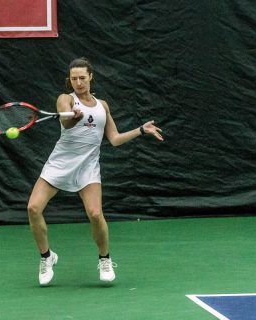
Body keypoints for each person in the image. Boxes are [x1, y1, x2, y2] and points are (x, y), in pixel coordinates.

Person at [27, 57, 164, 286]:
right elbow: (66, 123)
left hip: (88, 167)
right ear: (69, 80)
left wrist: (141, 130)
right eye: (74, 79)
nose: (78, 83)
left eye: (82, 78)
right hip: (60, 164)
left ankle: (104, 259)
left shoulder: (103, 106)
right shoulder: (65, 99)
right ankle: (47, 257)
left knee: (95, 214)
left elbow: (115, 139)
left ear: (91, 77)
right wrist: (73, 119)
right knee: (33, 208)